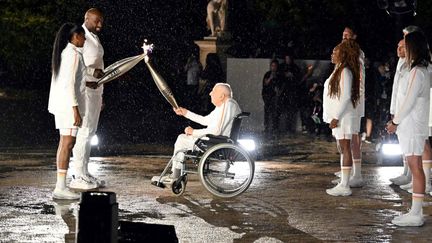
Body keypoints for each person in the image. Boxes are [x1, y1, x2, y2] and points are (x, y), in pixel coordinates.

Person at [387, 31, 431, 227]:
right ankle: (415, 211)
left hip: (412, 125)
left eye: (406, 44)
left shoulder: (417, 72)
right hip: (411, 124)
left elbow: (408, 101)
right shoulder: (415, 70)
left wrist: (395, 121)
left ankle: (416, 213)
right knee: (415, 167)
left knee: (415, 167)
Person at [162, 83, 241, 181]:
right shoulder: (225, 105)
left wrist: (193, 132)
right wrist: (185, 113)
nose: (210, 93)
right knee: (182, 138)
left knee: (181, 140)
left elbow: (216, 131)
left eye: (214, 91)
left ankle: (176, 174)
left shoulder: (228, 104)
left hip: (216, 142)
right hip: (216, 140)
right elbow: (205, 120)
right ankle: (177, 173)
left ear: (222, 96)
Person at [48, 23, 87, 199]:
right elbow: (69, 85)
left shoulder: (67, 53)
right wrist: (75, 110)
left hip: (64, 105)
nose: (85, 39)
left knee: (65, 143)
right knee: (67, 144)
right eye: (83, 36)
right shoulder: (72, 55)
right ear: (75, 36)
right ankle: (60, 187)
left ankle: (60, 186)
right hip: (68, 107)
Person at [70, 8, 105, 190]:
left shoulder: (94, 37)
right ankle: (78, 175)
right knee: (84, 133)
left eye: (101, 21)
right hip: (85, 92)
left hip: (95, 91)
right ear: (87, 18)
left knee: (90, 132)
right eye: (96, 21)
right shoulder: (80, 36)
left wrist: (101, 93)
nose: (100, 24)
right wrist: (90, 77)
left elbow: (99, 65)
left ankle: (84, 172)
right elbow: (76, 65)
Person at [324, 40, 361, 196]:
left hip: (343, 117)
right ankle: (343, 182)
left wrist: (336, 117)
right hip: (339, 117)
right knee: (342, 148)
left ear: (343, 54)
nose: (332, 54)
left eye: (335, 52)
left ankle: (345, 185)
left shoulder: (345, 71)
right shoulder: (339, 70)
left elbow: (345, 97)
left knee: (345, 148)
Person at [333, 27, 365, 188]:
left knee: (352, 140)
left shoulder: (356, 56)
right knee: (345, 141)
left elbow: (357, 85)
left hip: (352, 105)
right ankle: (347, 170)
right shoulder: (343, 56)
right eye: (343, 34)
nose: (344, 36)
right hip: (346, 105)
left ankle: (356, 174)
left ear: (354, 36)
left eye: (347, 34)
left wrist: (353, 104)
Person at [262, 59, 283, 139]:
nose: (273, 68)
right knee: (267, 113)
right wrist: (271, 77)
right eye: (272, 66)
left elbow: (281, 86)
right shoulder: (267, 74)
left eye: (275, 66)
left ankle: (275, 129)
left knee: (276, 114)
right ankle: (266, 128)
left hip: (276, 98)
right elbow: (265, 83)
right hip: (268, 97)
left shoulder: (279, 75)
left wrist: (279, 92)